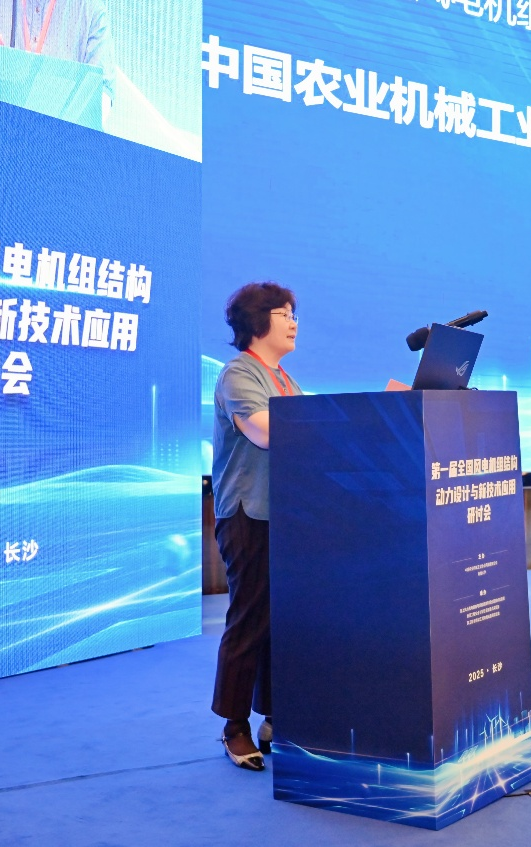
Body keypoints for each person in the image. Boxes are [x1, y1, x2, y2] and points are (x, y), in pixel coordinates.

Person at [211, 282, 302, 771]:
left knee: (284, 621)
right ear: (257, 320)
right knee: (249, 620)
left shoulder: (285, 379)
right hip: (248, 515)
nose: (293, 322)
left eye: (293, 314)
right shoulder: (239, 373)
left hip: (287, 516)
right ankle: (234, 726)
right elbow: (264, 432)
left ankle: (274, 716)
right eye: (284, 314)